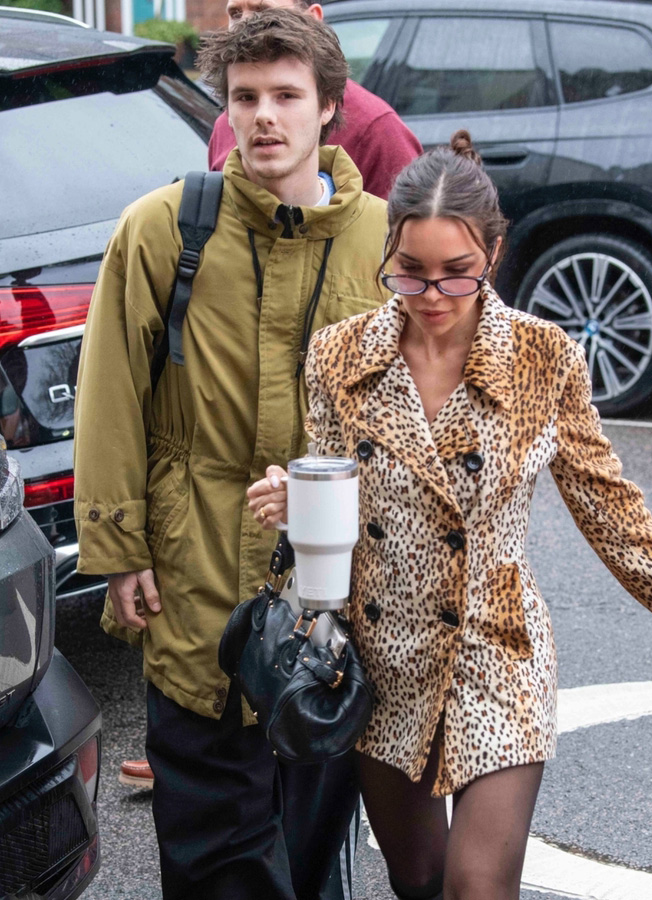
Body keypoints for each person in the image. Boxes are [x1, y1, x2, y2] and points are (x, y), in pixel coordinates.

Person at [247, 130, 652, 900]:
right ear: (386, 253)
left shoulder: (542, 357)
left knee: (476, 888)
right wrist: (300, 502)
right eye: (410, 273)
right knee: (419, 879)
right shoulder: (339, 356)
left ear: (494, 253)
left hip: (498, 651)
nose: (431, 297)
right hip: (384, 659)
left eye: (456, 275)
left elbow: (613, 513)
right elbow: (333, 502)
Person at [74, 10, 388, 899]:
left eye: (287, 96)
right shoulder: (162, 229)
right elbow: (109, 398)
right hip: (196, 576)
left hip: (330, 598)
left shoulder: (378, 241)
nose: (264, 118)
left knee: (312, 851)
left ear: (330, 107)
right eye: (245, 97)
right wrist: (119, 549)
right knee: (215, 856)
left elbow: (416, 422)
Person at [208, 0, 422, 197]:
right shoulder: (224, 125)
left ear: (313, 19)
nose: (245, 26)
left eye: (263, 13)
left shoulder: (377, 130)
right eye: (235, 14)